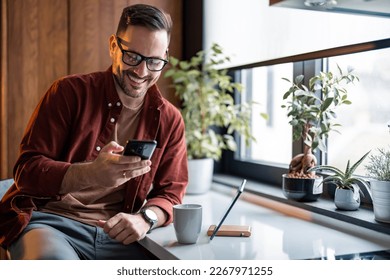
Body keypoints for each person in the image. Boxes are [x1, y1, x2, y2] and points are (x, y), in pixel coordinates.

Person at [0, 4, 188, 260]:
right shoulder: (68, 92)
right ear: (113, 46)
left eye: (154, 61)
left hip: (119, 236)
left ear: (165, 56)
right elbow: (27, 171)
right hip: (51, 224)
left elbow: (171, 193)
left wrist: (146, 219)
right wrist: (91, 173)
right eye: (132, 56)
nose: (141, 72)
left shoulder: (170, 119)